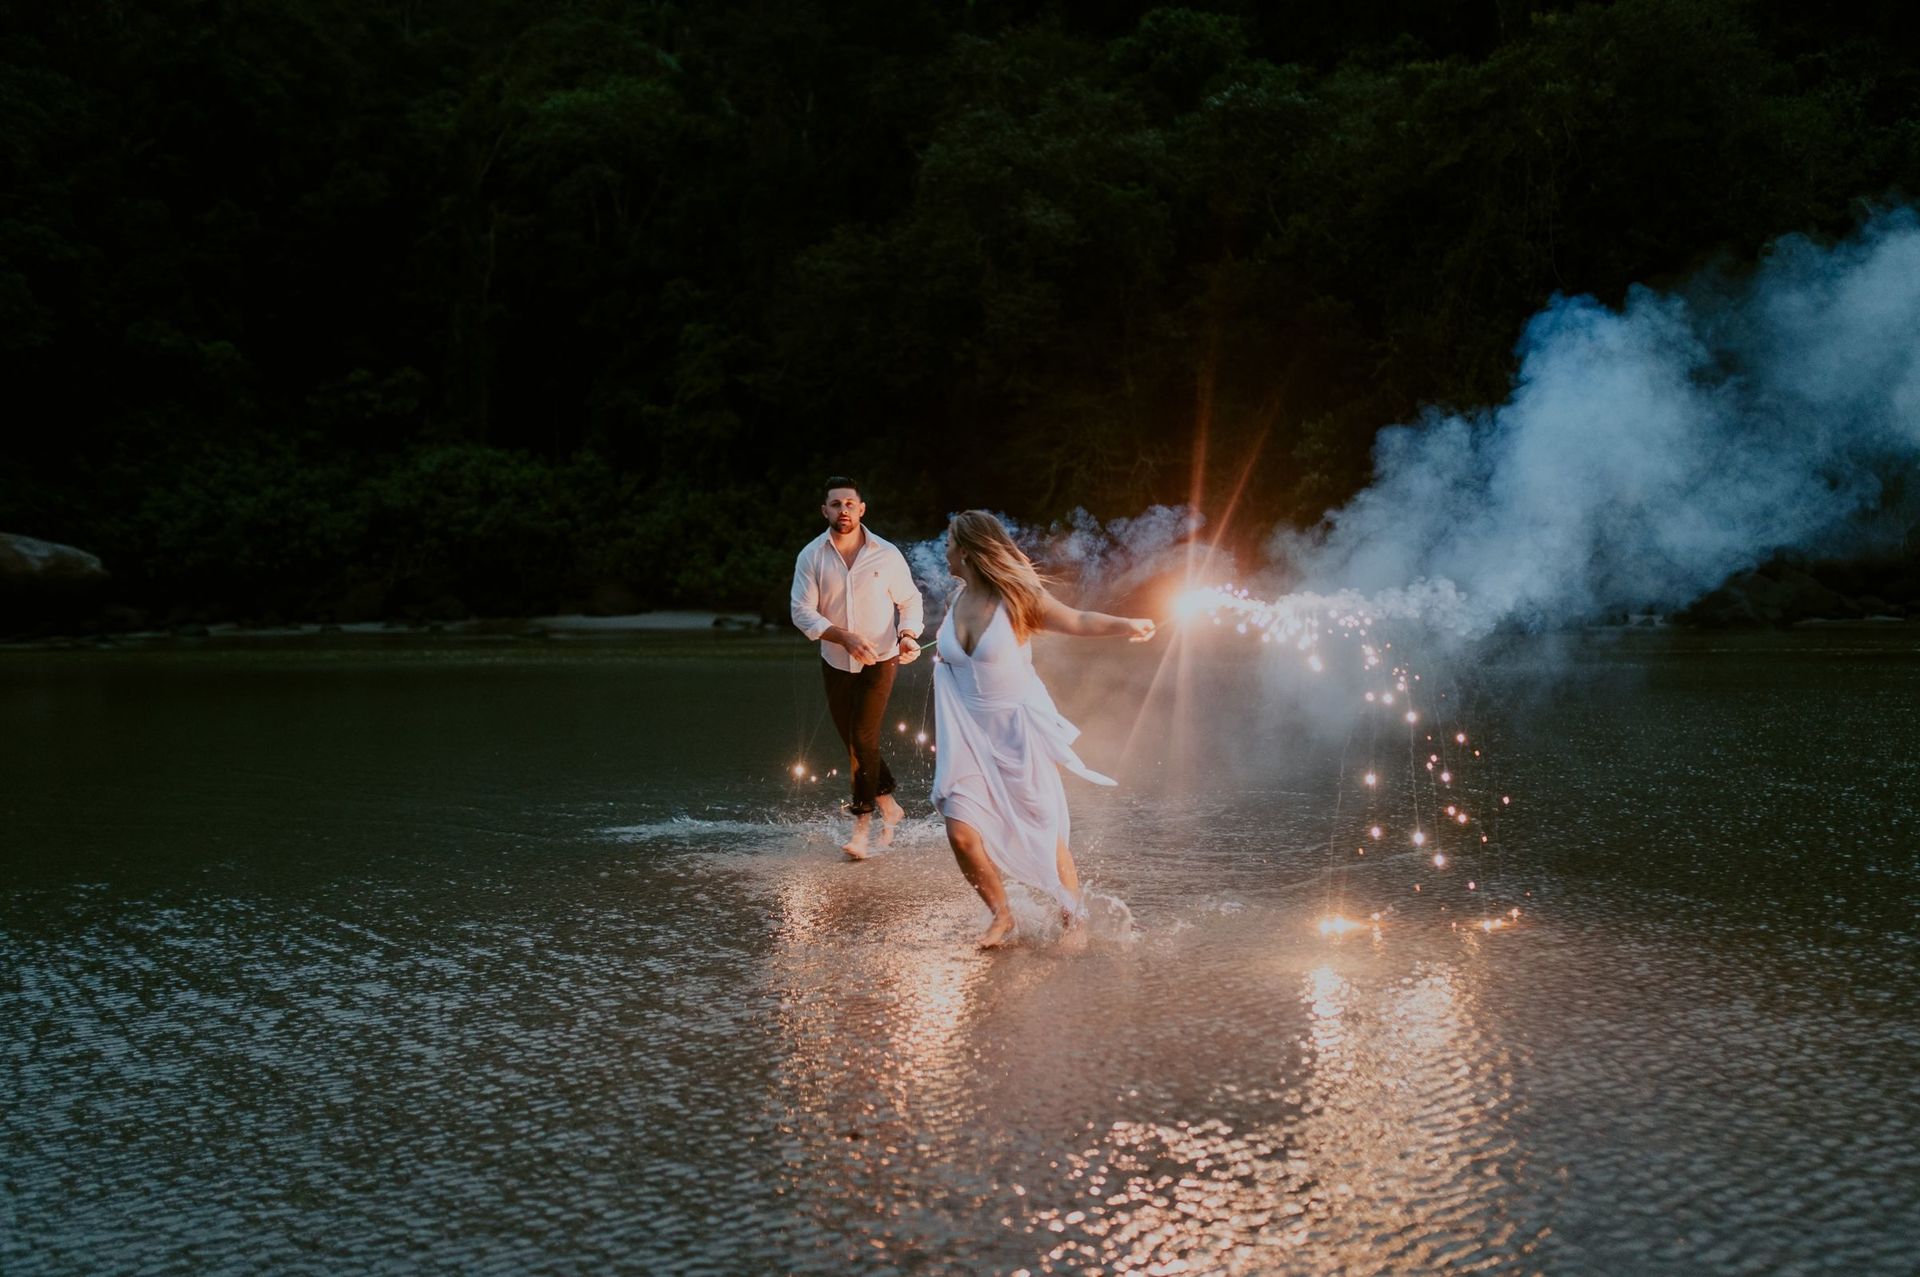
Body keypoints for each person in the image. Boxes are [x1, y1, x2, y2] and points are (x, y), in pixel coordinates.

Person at [931, 510, 1155, 948]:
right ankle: (1002, 916)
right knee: (960, 831)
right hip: (969, 738)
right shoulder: (953, 601)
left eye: (951, 543)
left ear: (970, 551)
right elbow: (950, 662)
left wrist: (1128, 624)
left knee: (1044, 831)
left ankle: (1074, 917)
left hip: (1016, 736)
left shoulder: (1017, 600)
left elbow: (1078, 620)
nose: (945, 550)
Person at [790, 476, 925, 858]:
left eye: (850, 503)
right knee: (853, 741)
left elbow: (910, 601)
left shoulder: (887, 553)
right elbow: (801, 612)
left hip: (881, 660)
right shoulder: (811, 556)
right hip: (835, 661)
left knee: (863, 738)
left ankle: (862, 826)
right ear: (825, 511)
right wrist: (843, 637)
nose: (843, 510)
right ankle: (889, 804)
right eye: (835, 504)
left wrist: (907, 634)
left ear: (861, 508)